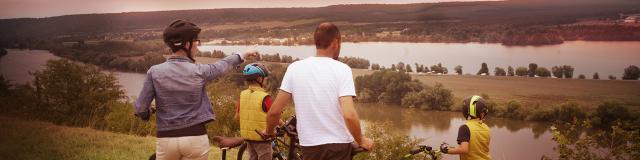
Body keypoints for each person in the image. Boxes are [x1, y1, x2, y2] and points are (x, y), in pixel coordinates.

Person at [134, 19, 258, 160]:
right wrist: (244, 54)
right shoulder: (199, 71)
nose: (197, 47)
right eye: (196, 42)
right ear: (187, 44)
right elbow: (222, 65)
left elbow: (140, 109)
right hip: (195, 138)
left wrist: (147, 113)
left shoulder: (154, 72)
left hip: (166, 139)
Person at [263, 22, 374, 160]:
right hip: (338, 146)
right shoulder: (342, 69)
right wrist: (362, 140)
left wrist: (269, 132)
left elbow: (274, 112)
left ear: (316, 42)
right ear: (335, 42)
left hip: (310, 146)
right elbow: (349, 115)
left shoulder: (294, 68)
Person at [235, 63, 274, 160]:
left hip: (249, 139)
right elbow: (274, 116)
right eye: (266, 78)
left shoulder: (242, 95)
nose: (267, 80)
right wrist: (284, 124)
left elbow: (237, 117)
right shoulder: (265, 97)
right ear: (259, 79)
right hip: (262, 138)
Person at [440, 95, 492, 160]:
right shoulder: (486, 128)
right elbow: (478, 148)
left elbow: (464, 149)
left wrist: (445, 150)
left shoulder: (465, 128)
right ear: (483, 113)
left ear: (465, 111)